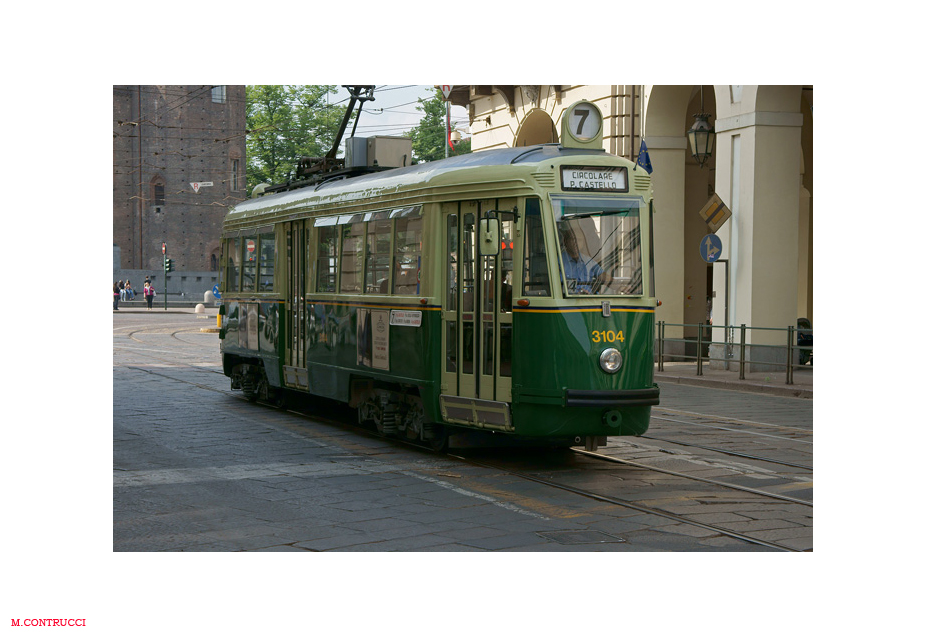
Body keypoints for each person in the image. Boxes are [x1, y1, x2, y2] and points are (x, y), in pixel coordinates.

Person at [560, 228, 610, 294]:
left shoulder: (588, 260)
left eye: (579, 240)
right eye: (573, 239)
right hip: (569, 302)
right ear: (566, 241)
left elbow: (603, 276)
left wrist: (621, 286)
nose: (576, 243)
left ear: (583, 243)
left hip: (589, 300)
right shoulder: (558, 261)